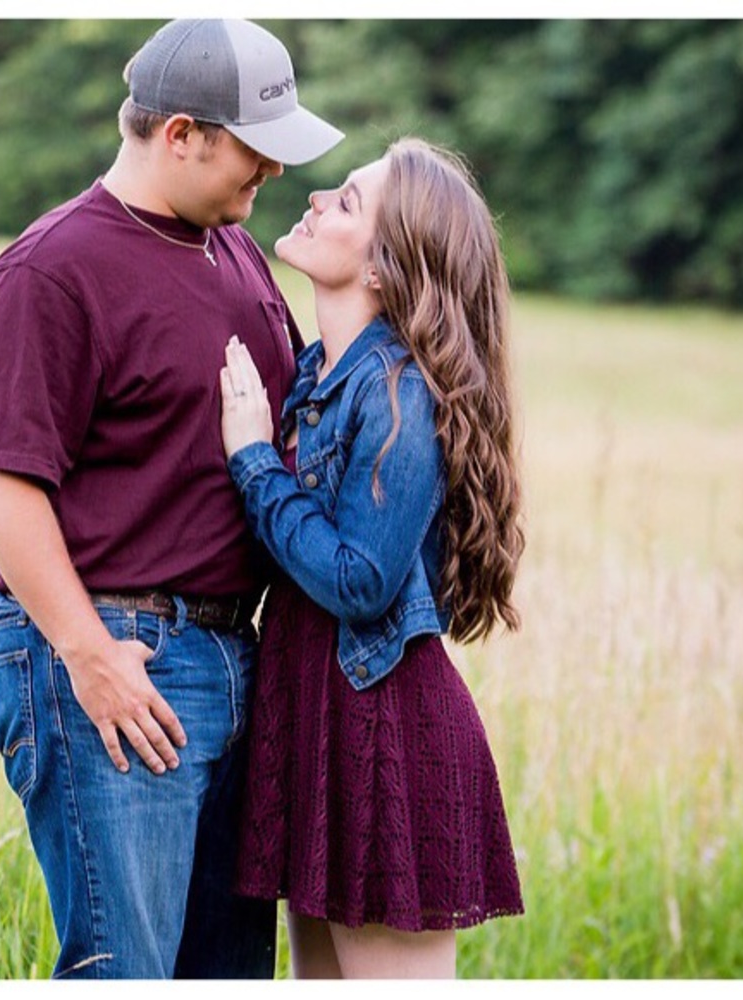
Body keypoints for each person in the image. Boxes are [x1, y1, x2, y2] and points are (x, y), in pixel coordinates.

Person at [0, 19, 342, 980]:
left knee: (226, 971)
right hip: (121, 656)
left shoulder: (234, 250)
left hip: (232, 653)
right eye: (256, 150)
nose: (273, 174)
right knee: (125, 969)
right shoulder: (53, 271)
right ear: (178, 135)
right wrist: (90, 656)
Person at [219, 137, 525, 979]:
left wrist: (252, 459)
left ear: (387, 270)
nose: (316, 199)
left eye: (347, 202)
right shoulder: (320, 375)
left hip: (383, 727)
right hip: (318, 716)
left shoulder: (399, 393)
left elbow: (360, 578)